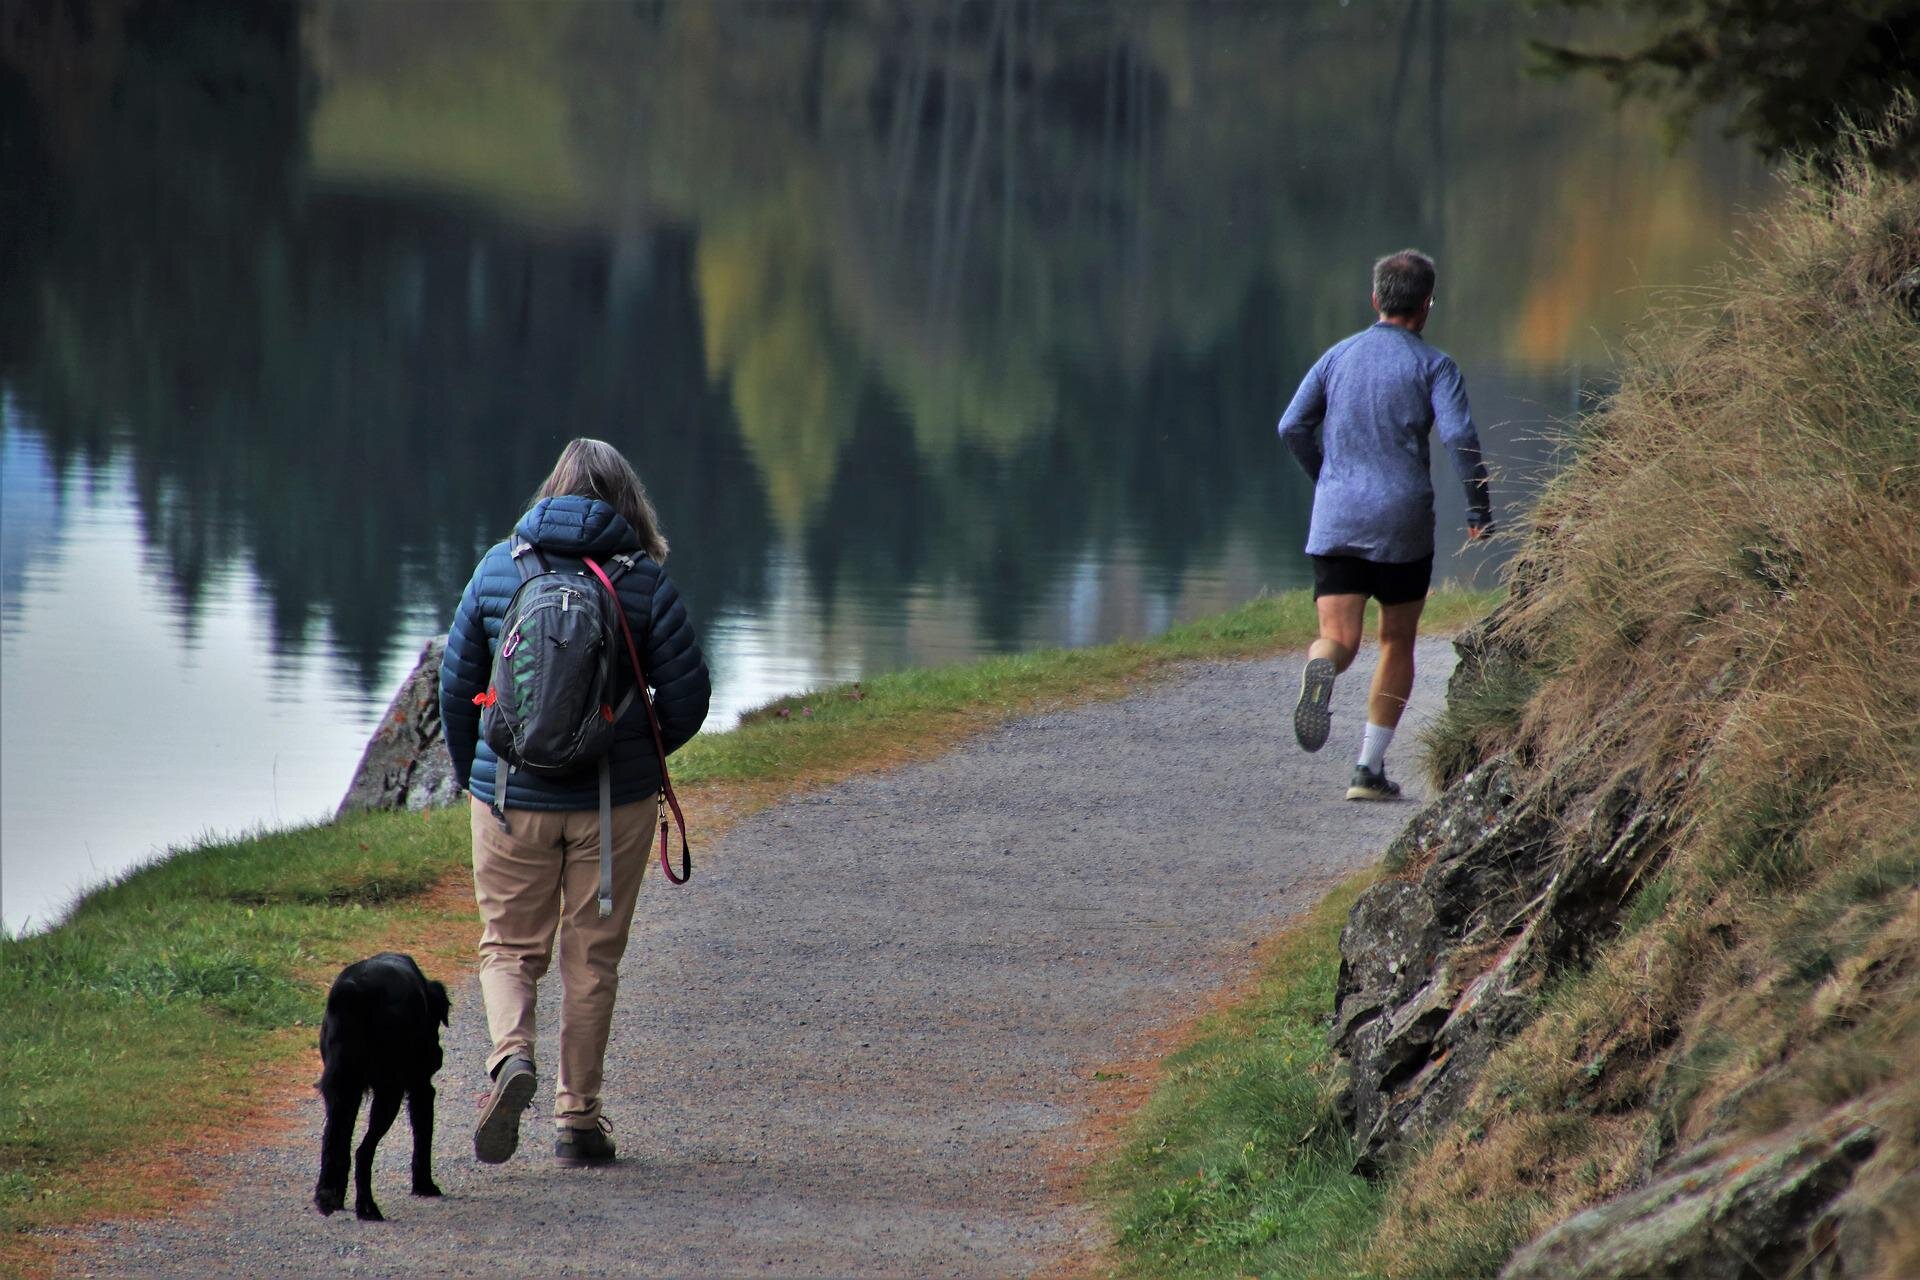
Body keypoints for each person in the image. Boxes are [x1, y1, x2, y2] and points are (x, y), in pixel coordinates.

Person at [439, 438, 710, 1167]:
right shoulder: (643, 583)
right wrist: (636, 764)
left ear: (550, 491)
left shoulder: (500, 568)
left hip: (507, 799)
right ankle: (578, 1120)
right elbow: (688, 698)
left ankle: (509, 1058)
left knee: (507, 946)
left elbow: (454, 687)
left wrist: (477, 778)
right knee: (592, 960)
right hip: (609, 806)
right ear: (629, 502)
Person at [1276, 249, 1493, 800]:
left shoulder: (1336, 357)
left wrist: (1325, 477)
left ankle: (1321, 665)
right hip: (1402, 521)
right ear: (1426, 306)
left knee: (1338, 637)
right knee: (1396, 640)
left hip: (1338, 516)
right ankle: (1368, 771)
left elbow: (1292, 425)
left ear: (1375, 300)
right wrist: (1478, 507)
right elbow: (1460, 437)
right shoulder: (1435, 365)